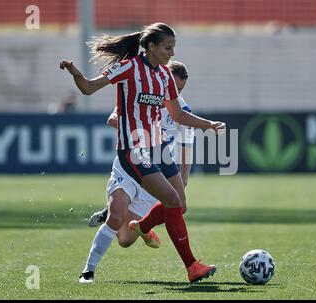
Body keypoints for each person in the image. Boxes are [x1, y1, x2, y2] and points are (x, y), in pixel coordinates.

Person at [60, 22, 225, 283]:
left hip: (158, 148)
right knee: (167, 202)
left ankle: (144, 226)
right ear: (150, 46)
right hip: (134, 151)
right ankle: (190, 266)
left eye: (173, 48)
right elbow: (89, 88)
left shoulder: (164, 76)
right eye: (167, 47)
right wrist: (75, 73)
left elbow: (178, 114)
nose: (171, 53)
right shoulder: (128, 67)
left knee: (179, 205)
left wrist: (209, 125)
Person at [80, 61, 194, 284]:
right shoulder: (138, 96)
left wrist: (184, 177)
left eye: (179, 89)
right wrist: (141, 128)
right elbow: (112, 119)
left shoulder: (181, 110)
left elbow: (186, 146)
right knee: (116, 216)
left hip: (157, 174)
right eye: (173, 86)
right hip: (130, 165)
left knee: (124, 240)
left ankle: (143, 226)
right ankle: (88, 271)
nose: (175, 93)